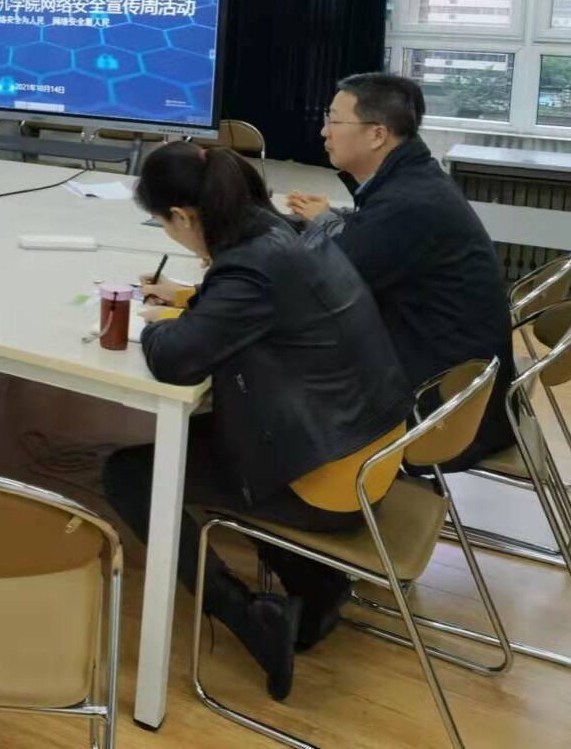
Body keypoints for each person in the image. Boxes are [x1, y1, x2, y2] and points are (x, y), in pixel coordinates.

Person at [103, 142, 411, 701]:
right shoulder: (281, 232)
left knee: (130, 476)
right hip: (371, 443)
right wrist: (194, 300)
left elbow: (176, 360)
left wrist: (153, 324)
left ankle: (251, 621)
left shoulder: (250, 268)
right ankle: (317, 588)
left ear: (185, 217)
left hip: (330, 475)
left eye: (164, 224)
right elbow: (249, 305)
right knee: (209, 443)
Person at [284, 72, 514, 468]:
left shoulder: (409, 203)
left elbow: (321, 285)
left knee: (275, 375)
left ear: (377, 134)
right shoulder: (414, 181)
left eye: (334, 120)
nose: (324, 132)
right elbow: (353, 250)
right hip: (452, 385)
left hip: (437, 407)